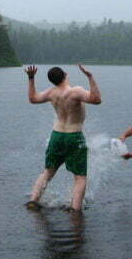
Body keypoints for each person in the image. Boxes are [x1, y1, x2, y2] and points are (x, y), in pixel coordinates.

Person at [25, 64, 102, 212]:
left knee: (48, 171)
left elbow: (33, 99)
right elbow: (97, 99)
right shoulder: (75, 91)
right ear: (65, 75)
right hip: (74, 136)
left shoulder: (51, 93)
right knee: (80, 177)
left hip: (57, 135)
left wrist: (31, 78)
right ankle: (75, 211)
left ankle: (33, 200)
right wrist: (90, 76)